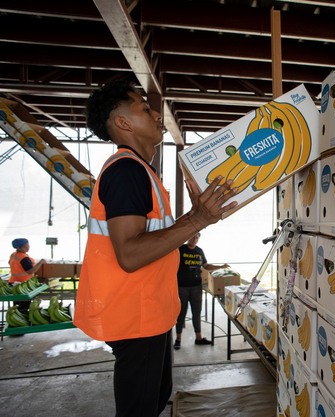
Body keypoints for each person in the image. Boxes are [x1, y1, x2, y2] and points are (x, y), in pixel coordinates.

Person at [74, 79, 238, 417]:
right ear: (123, 122)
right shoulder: (126, 171)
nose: (156, 114)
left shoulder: (141, 171)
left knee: (156, 397)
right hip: (135, 314)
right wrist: (197, 219)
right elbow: (130, 254)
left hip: (150, 311)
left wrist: (196, 217)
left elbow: (154, 237)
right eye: (144, 107)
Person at [174, 233, 228, 349]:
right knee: (181, 313)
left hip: (196, 287)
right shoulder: (180, 249)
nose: (194, 239)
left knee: (197, 313)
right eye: (192, 236)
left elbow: (206, 266)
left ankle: (198, 338)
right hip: (182, 287)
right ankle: (178, 339)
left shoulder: (199, 251)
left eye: (197, 237)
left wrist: (220, 267)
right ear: (188, 237)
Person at [9, 238, 46, 314]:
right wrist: (40, 262)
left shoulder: (13, 255)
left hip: (13, 283)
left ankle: (16, 317)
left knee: (16, 305)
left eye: (28, 245)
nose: (28, 247)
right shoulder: (24, 258)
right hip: (23, 284)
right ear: (19, 247)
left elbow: (9, 263)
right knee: (23, 306)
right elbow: (30, 271)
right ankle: (21, 318)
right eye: (25, 246)